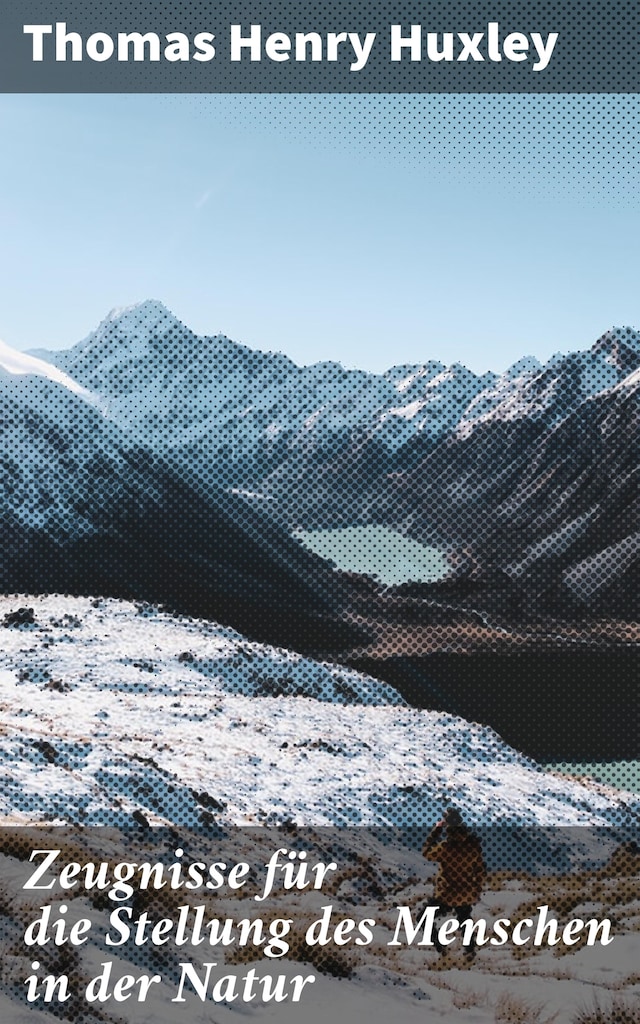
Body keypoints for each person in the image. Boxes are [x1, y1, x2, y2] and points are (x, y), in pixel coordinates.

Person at [422, 807, 486, 959]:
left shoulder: (445, 847)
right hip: (466, 892)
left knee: (424, 918)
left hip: (447, 893)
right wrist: (476, 890)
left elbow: (426, 852)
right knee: (464, 918)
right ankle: (469, 951)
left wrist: (436, 830)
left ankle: (440, 948)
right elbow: (480, 871)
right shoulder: (473, 846)